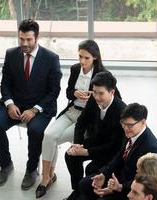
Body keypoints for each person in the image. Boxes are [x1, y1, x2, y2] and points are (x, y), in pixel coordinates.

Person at [35, 40, 114, 198]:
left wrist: (94, 96)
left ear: (95, 58)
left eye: (86, 58)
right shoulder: (75, 69)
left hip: (86, 118)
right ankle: (46, 178)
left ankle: (49, 178)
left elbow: (113, 97)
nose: (82, 61)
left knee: (55, 139)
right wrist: (75, 93)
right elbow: (68, 92)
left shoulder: (103, 74)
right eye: (80, 57)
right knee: (49, 136)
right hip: (72, 111)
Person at [0, 19, 62, 190]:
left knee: (36, 130)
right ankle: (6, 164)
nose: (25, 43)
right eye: (21, 39)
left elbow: (54, 91)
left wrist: (35, 109)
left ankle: (31, 170)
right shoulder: (11, 53)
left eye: (29, 39)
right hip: (14, 104)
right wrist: (9, 104)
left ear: (36, 38)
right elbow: (5, 83)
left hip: (40, 107)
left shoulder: (51, 58)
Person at [62, 71, 126, 200]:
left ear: (112, 92)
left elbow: (114, 145)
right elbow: (81, 123)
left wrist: (86, 152)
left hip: (110, 151)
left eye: (101, 93)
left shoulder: (121, 111)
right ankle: (77, 190)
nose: (96, 96)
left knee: (91, 169)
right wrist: (78, 145)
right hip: (95, 141)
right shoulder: (93, 99)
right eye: (94, 92)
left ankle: (86, 192)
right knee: (70, 155)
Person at [79, 103, 157, 200]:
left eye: (130, 125)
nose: (126, 128)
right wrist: (104, 174)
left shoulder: (151, 148)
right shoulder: (131, 133)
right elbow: (119, 156)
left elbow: (146, 183)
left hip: (130, 189)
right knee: (84, 184)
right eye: (123, 123)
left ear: (143, 122)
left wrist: (119, 187)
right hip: (117, 178)